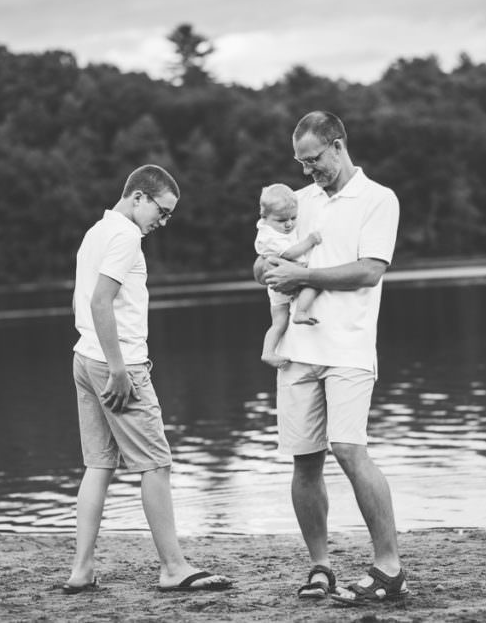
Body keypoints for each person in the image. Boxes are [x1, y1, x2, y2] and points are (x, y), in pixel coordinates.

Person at [254, 111, 406, 606]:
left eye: (313, 159)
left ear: (338, 145)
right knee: (304, 462)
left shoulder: (378, 199)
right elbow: (266, 256)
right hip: (298, 351)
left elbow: (368, 271)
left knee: (348, 449)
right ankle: (321, 567)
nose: (307, 170)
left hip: (349, 347)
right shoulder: (298, 201)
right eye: (300, 162)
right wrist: (267, 269)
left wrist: (301, 277)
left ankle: (389, 567)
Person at [62, 164, 232, 594]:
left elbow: (82, 301)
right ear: (138, 197)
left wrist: (100, 359)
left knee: (98, 465)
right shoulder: (124, 236)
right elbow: (102, 303)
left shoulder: (96, 232)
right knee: (156, 464)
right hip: (117, 365)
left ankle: (81, 570)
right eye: (162, 209)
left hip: (85, 358)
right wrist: (119, 369)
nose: (164, 220)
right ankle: (173, 567)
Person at [255, 183, 323, 368]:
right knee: (315, 282)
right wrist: (310, 241)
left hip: (275, 286)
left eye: (293, 218)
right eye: (282, 220)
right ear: (264, 217)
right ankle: (300, 312)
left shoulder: (267, 227)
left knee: (278, 323)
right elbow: (290, 254)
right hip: (284, 279)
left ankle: (268, 352)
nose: (289, 224)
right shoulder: (269, 237)